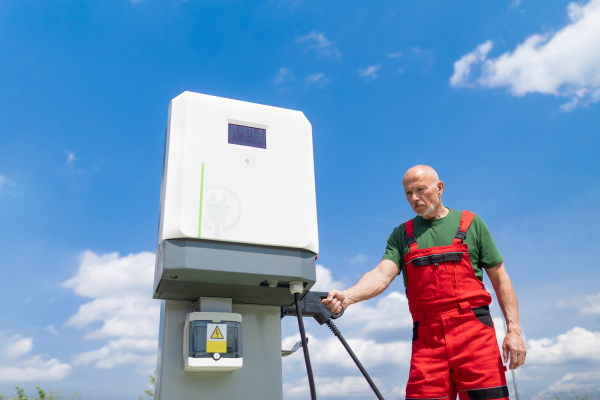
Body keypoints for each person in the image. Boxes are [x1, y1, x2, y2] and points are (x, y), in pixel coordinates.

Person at [322, 165, 526, 400]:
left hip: (475, 335)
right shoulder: (402, 234)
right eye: (408, 193)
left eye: (420, 189)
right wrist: (348, 296)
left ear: (439, 188)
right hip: (428, 341)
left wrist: (514, 331)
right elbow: (381, 275)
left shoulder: (472, 224)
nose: (414, 198)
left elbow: (501, 279)